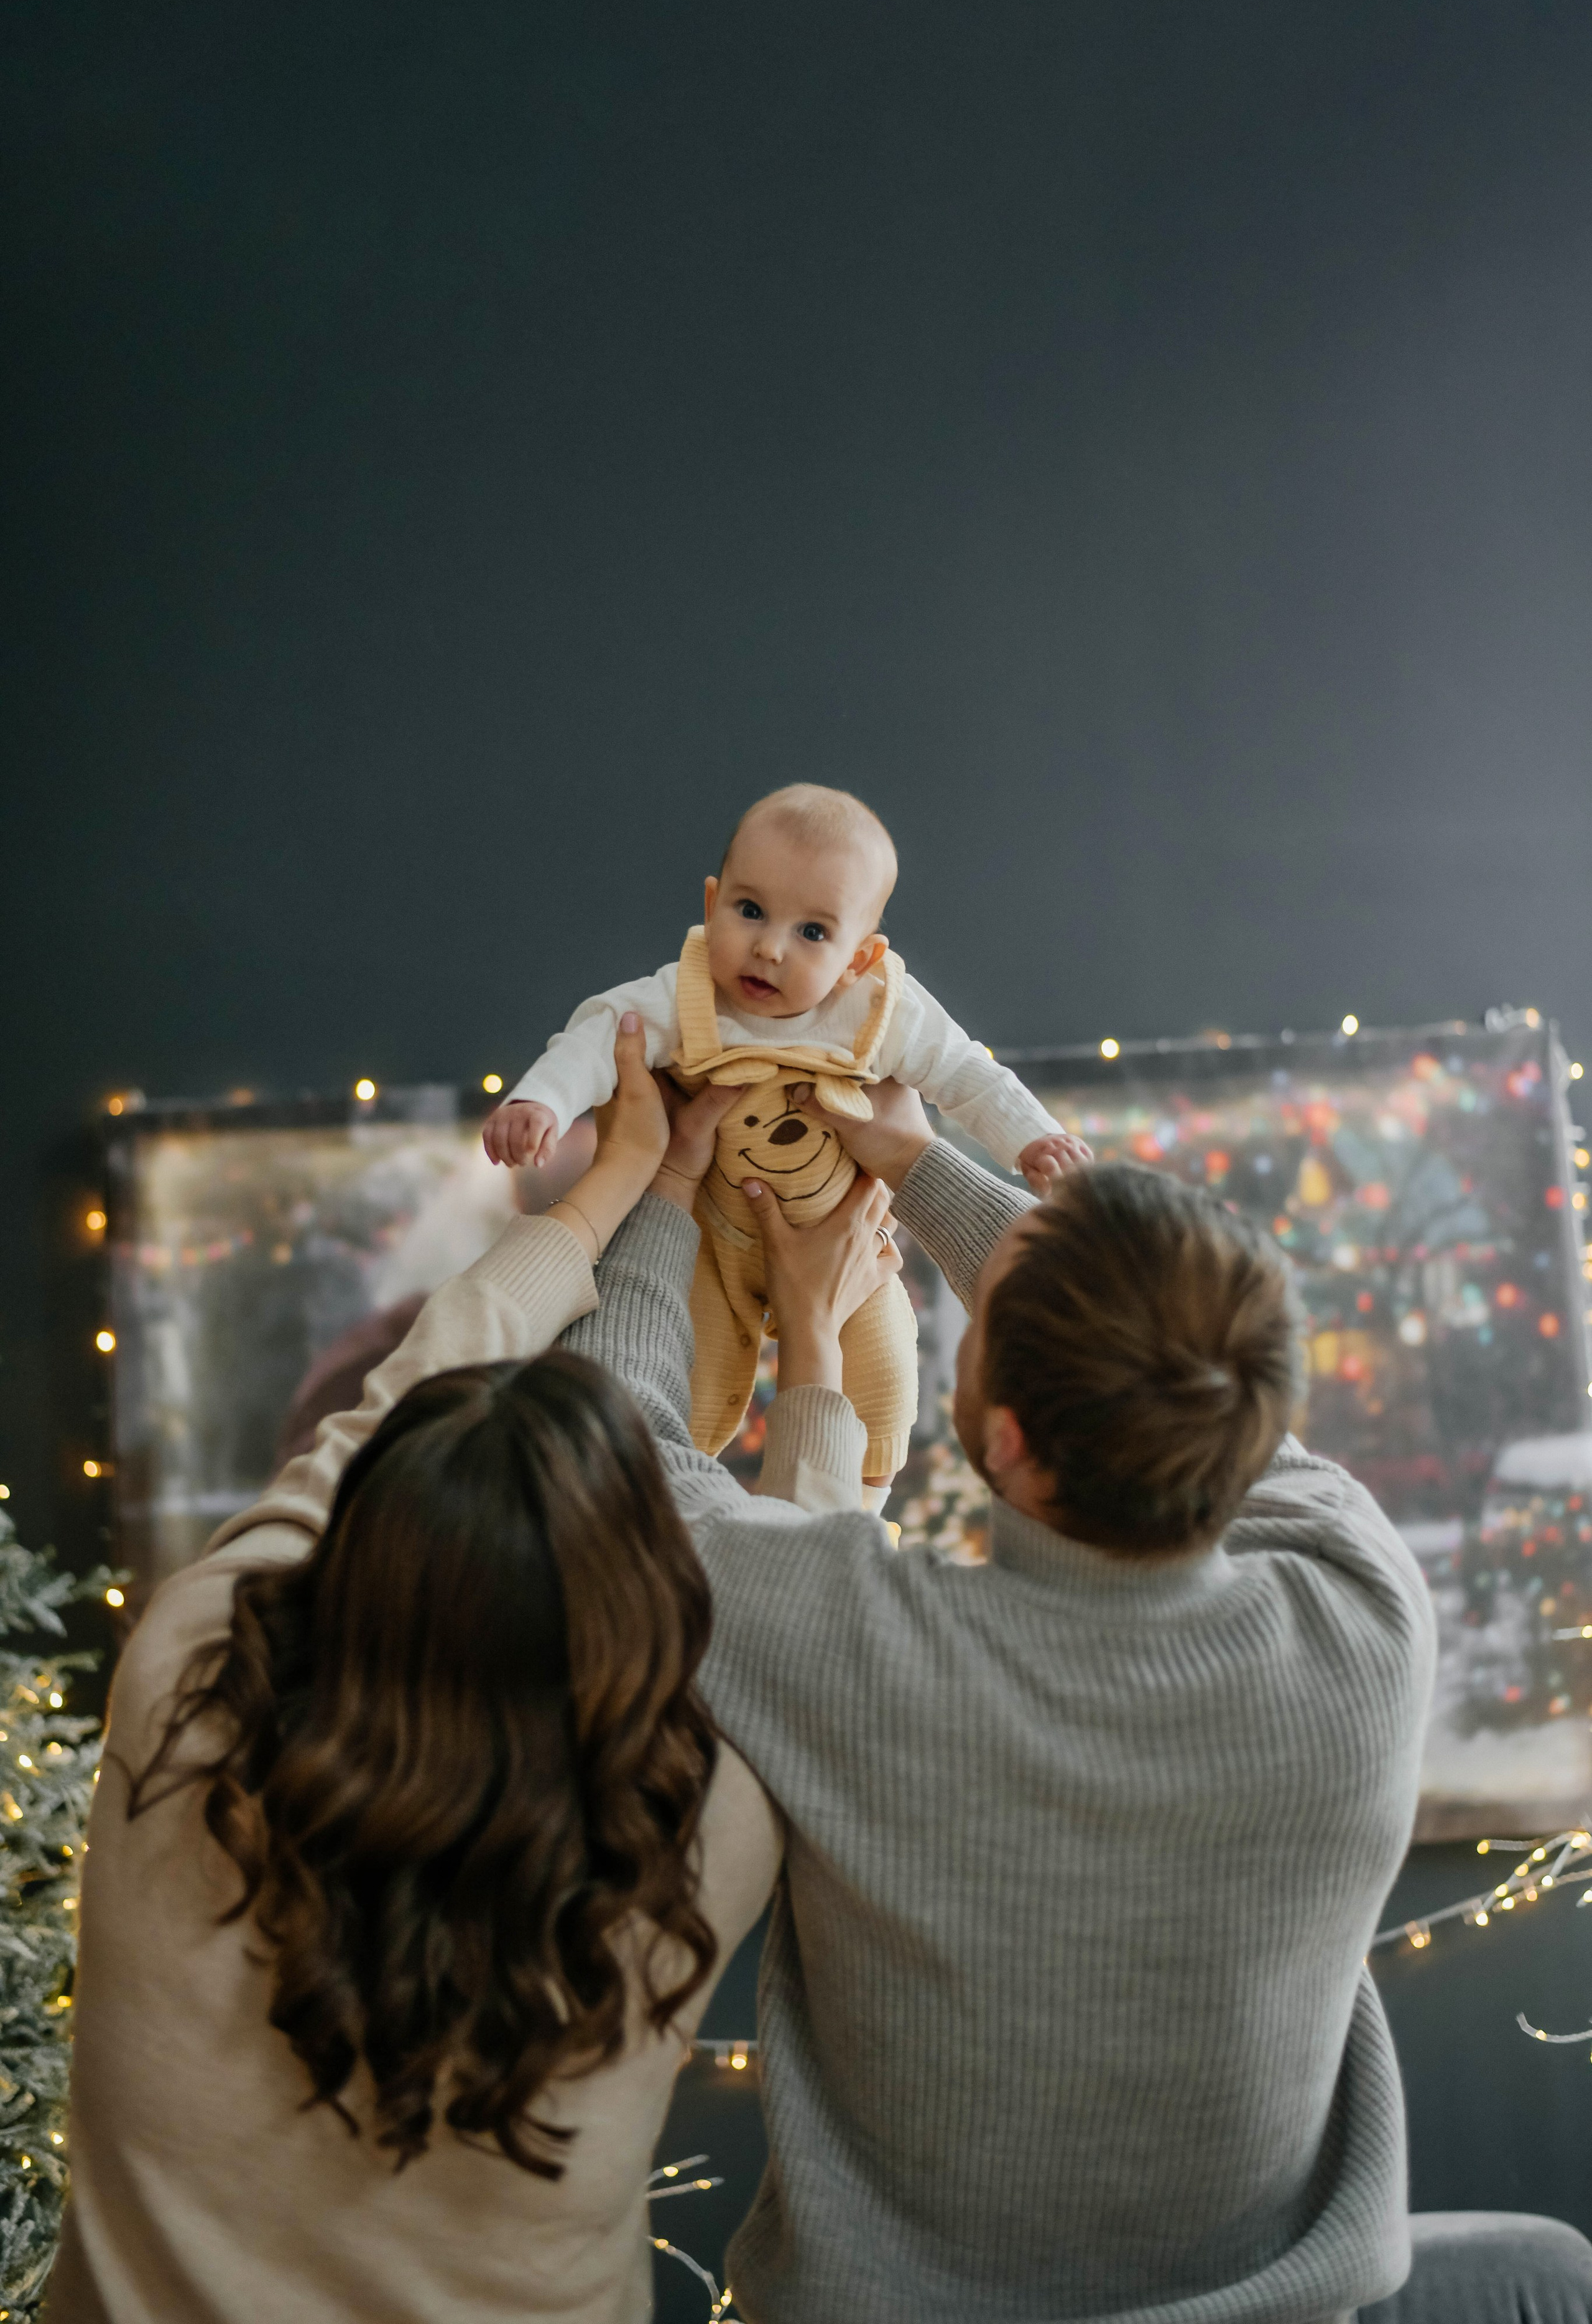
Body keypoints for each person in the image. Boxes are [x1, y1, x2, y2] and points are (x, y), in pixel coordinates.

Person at [45, 1023, 892, 2324]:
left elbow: (395, 1396)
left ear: (366, 1532)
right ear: (639, 1613)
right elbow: (808, 1629)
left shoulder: (181, 1680)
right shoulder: (688, 1843)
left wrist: (630, 1178)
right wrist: (814, 1346)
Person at [565, 1071, 1441, 2324]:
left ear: (1008, 1443)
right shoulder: (1365, 1615)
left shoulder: (852, 1644)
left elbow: (613, 1453)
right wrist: (919, 1165)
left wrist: (658, 1185)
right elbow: (1203, 1380)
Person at [481, 783, 1087, 1489]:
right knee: (679, 1382)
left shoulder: (879, 1012)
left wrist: (1033, 1141)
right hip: (707, 1237)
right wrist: (542, 1101)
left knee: (883, 1384)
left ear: (860, 957)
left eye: (812, 932)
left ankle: (858, 1519)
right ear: (711, 906)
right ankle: (670, 1504)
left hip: (846, 1237)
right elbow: (594, 1043)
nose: (768, 948)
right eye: (749, 911)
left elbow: (966, 1074)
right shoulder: (684, 997)